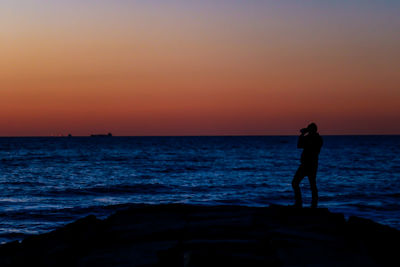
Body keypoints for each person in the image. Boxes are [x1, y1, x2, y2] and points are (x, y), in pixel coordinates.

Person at [292, 123, 323, 208]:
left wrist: (304, 135)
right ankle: (299, 203)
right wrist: (302, 135)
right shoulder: (310, 137)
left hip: (310, 165)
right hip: (306, 164)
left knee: (311, 185)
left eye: (309, 129)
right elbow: (299, 145)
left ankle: (313, 204)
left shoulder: (317, 139)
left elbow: (308, 145)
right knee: (296, 183)